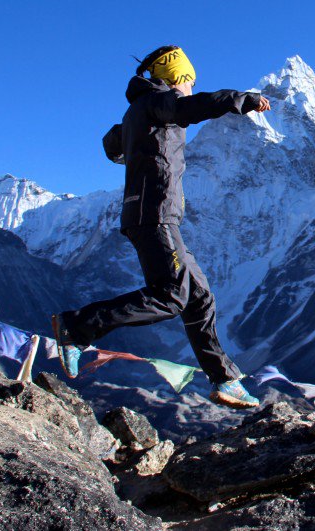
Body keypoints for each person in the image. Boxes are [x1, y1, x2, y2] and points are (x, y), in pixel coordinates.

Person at [51, 45, 271, 409]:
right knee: (171, 295)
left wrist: (129, 145)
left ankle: (224, 379)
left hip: (150, 215)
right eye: (188, 81)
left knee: (198, 297)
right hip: (155, 215)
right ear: (173, 79)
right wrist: (242, 100)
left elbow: (112, 142)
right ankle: (77, 327)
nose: (189, 88)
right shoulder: (159, 102)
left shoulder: (139, 111)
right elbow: (190, 107)